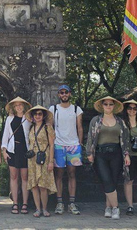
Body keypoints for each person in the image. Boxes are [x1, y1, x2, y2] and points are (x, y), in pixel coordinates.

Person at [86, 96, 130, 220]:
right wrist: (89, 153)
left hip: (116, 153)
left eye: (111, 104)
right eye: (106, 104)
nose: (108, 106)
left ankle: (108, 207)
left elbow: (125, 139)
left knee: (113, 181)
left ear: (114, 106)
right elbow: (90, 137)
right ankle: (116, 207)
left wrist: (127, 154)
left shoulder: (120, 121)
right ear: (102, 106)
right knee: (106, 180)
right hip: (100, 154)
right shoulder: (96, 120)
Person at [49, 84, 83, 215]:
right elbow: (50, 127)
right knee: (59, 174)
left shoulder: (76, 109)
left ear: (70, 94)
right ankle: (59, 203)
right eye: (61, 92)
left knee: (72, 174)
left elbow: (79, 127)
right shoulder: (54, 109)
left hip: (73, 145)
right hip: (58, 145)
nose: (64, 95)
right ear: (58, 95)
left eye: (66, 92)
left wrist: (79, 143)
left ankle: (72, 203)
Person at [1, 97, 31, 214]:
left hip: (25, 150)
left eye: (20, 105)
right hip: (12, 150)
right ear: (13, 107)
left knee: (24, 177)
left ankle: (24, 203)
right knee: (14, 177)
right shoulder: (10, 119)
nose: (18, 107)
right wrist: (4, 151)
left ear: (24, 106)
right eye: (16, 105)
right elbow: (5, 135)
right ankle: (15, 203)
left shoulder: (28, 119)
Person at [25, 105, 56, 217]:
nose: (37, 116)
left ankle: (45, 208)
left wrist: (51, 161)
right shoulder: (31, 128)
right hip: (33, 159)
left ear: (43, 116)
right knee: (34, 185)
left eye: (40, 114)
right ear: (33, 116)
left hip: (44, 157)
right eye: (35, 114)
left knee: (43, 185)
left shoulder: (48, 128)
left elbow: (52, 145)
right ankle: (37, 208)